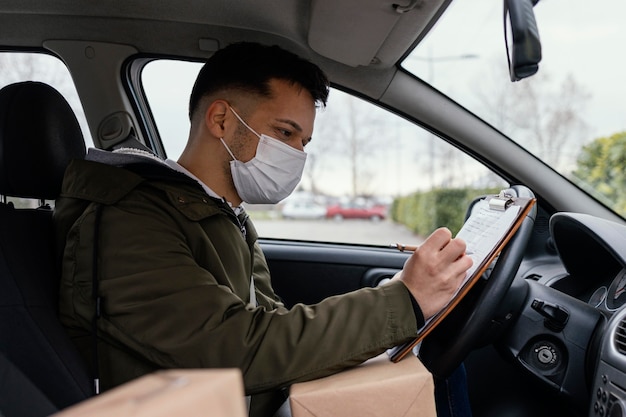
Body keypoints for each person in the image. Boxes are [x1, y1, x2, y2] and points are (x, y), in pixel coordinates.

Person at [55, 42, 473, 416]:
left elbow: (269, 322)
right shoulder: (129, 221)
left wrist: (397, 302)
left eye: (303, 142)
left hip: (253, 397)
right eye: (284, 132)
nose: (296, 155)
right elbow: (236, 347)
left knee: (431, 369)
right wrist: (402, 303)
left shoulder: (221, 214)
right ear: (221, 119)